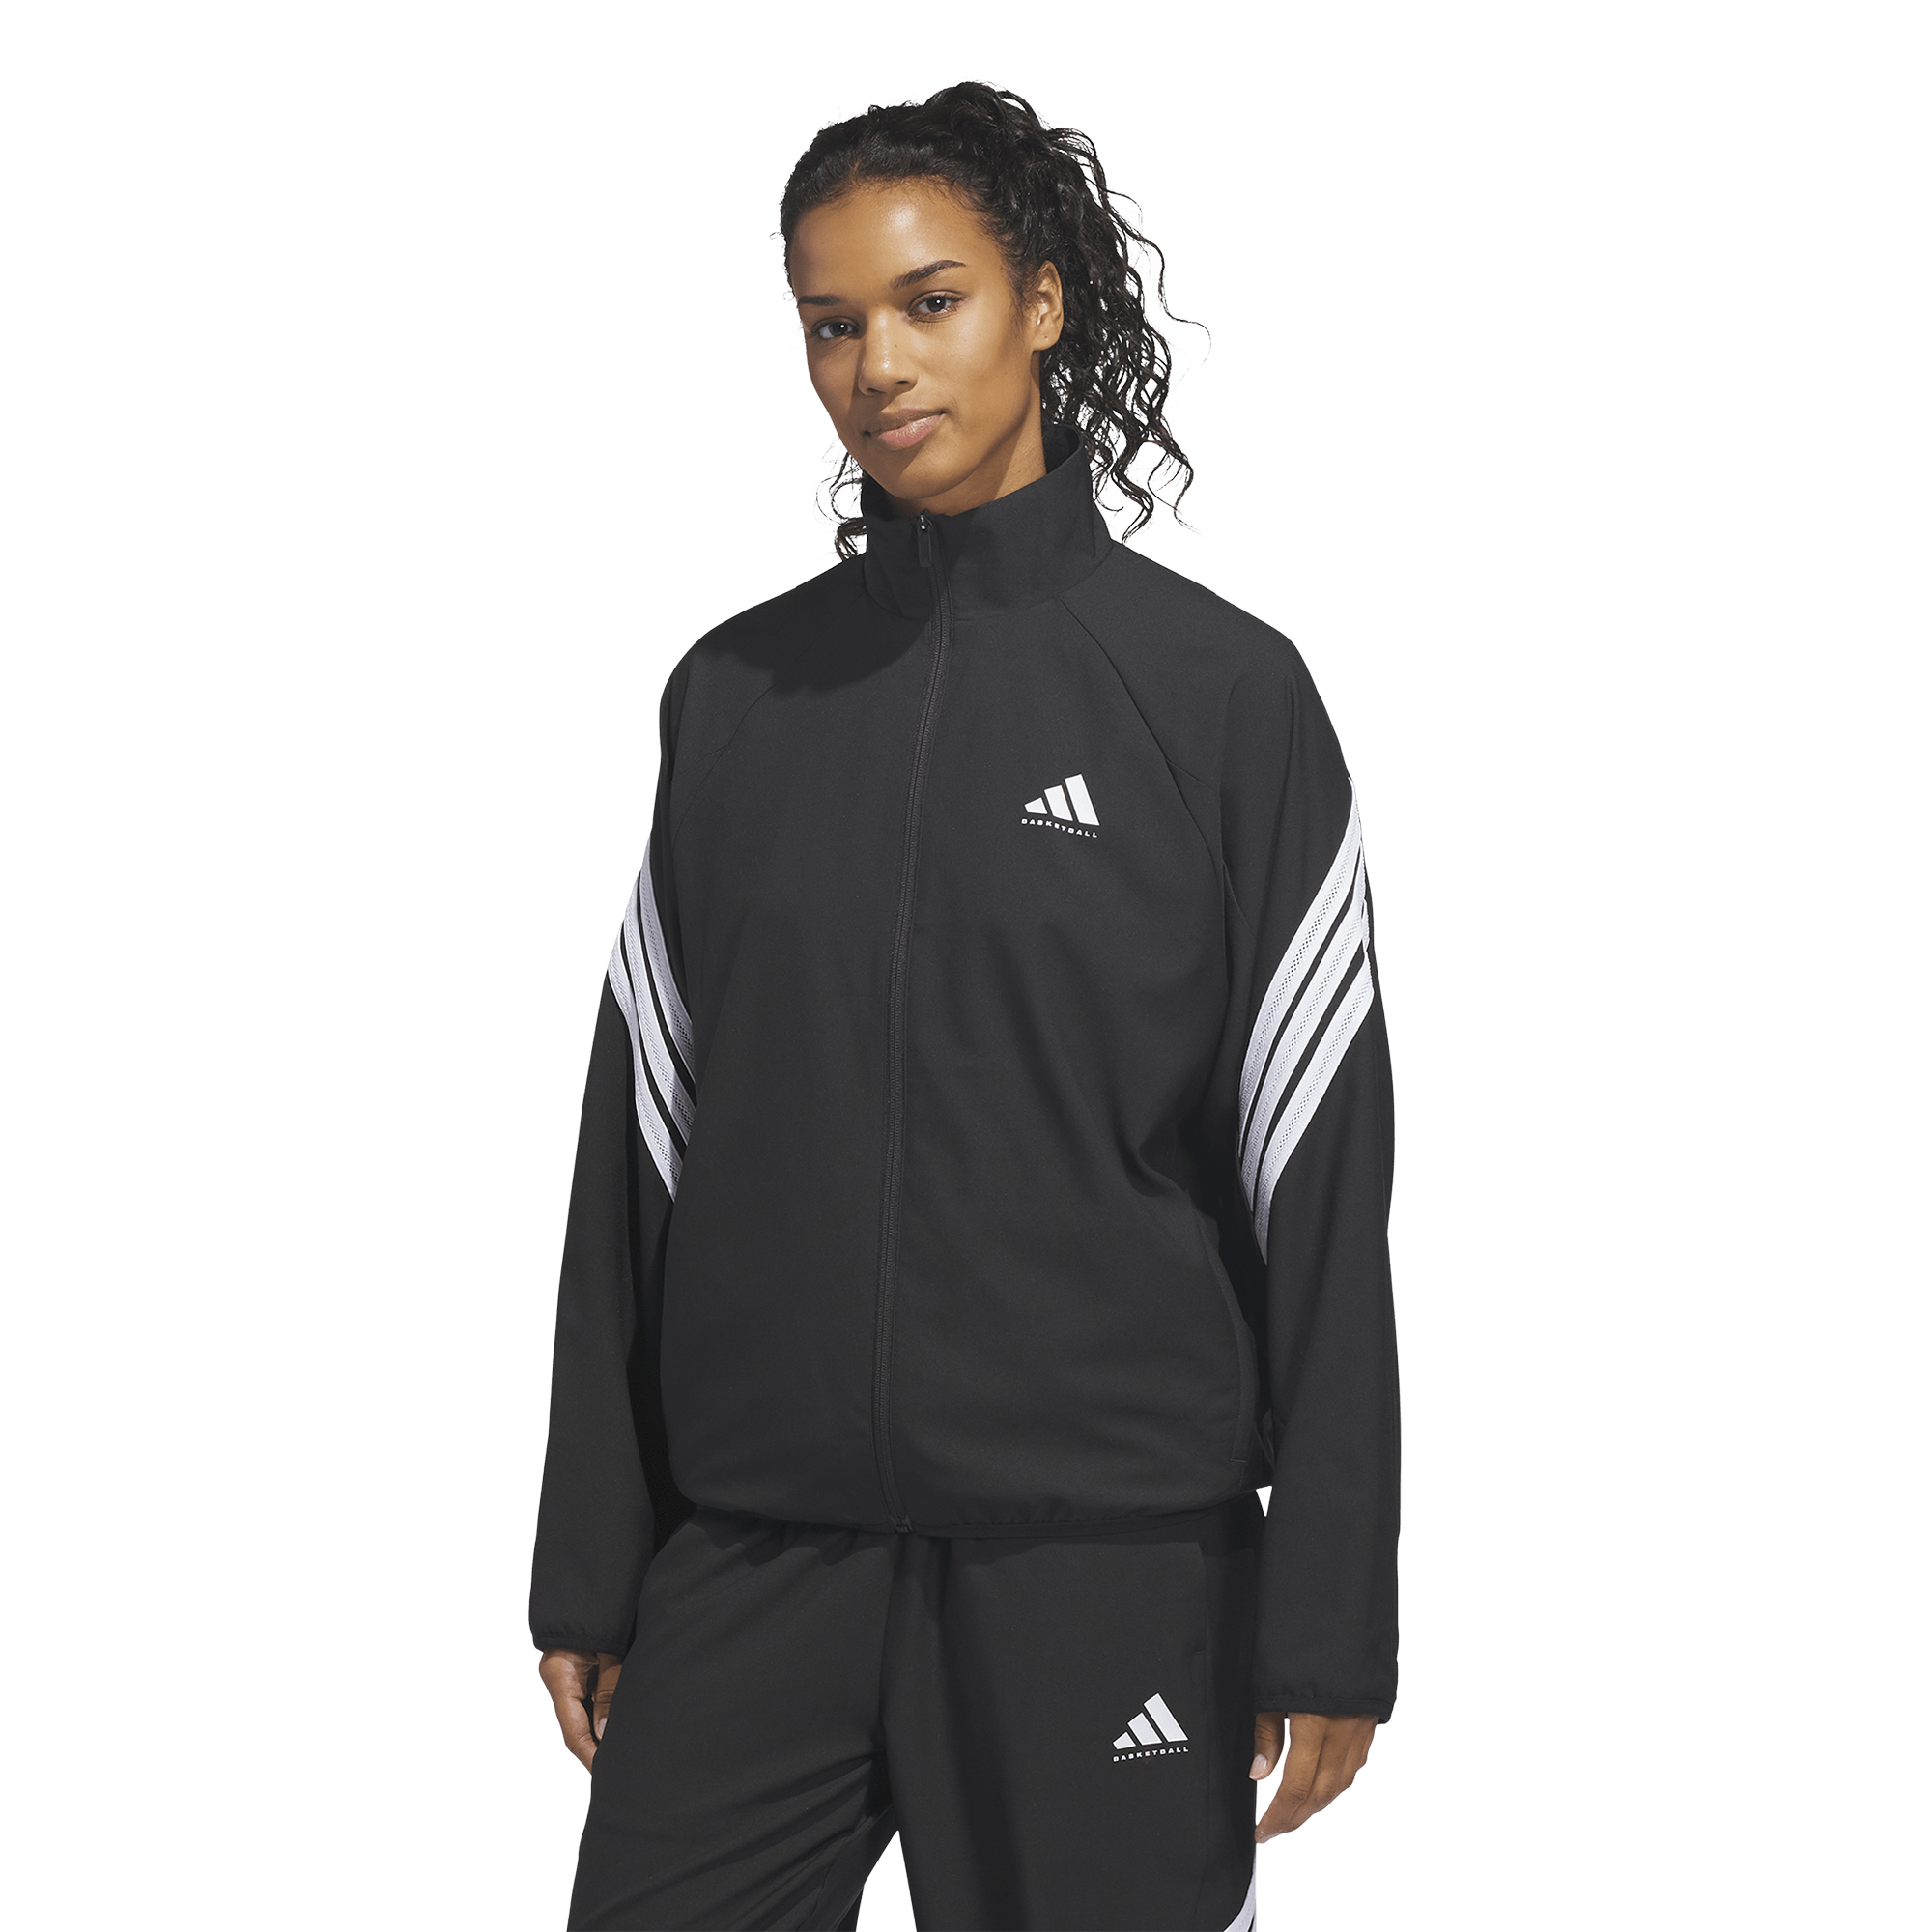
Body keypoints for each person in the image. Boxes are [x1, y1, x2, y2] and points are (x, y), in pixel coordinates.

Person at [530, 78, 1399, 1932]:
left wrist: (1330, 1612)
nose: (881, 367)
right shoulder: (734, 700)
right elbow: (638, 1153)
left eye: (932, 302)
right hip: (760, 1554)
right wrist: (591, 1558)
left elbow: (1319, 1181)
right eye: (833, 324)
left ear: (1044, 301)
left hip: (1106, 1569)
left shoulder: (1221, 702)